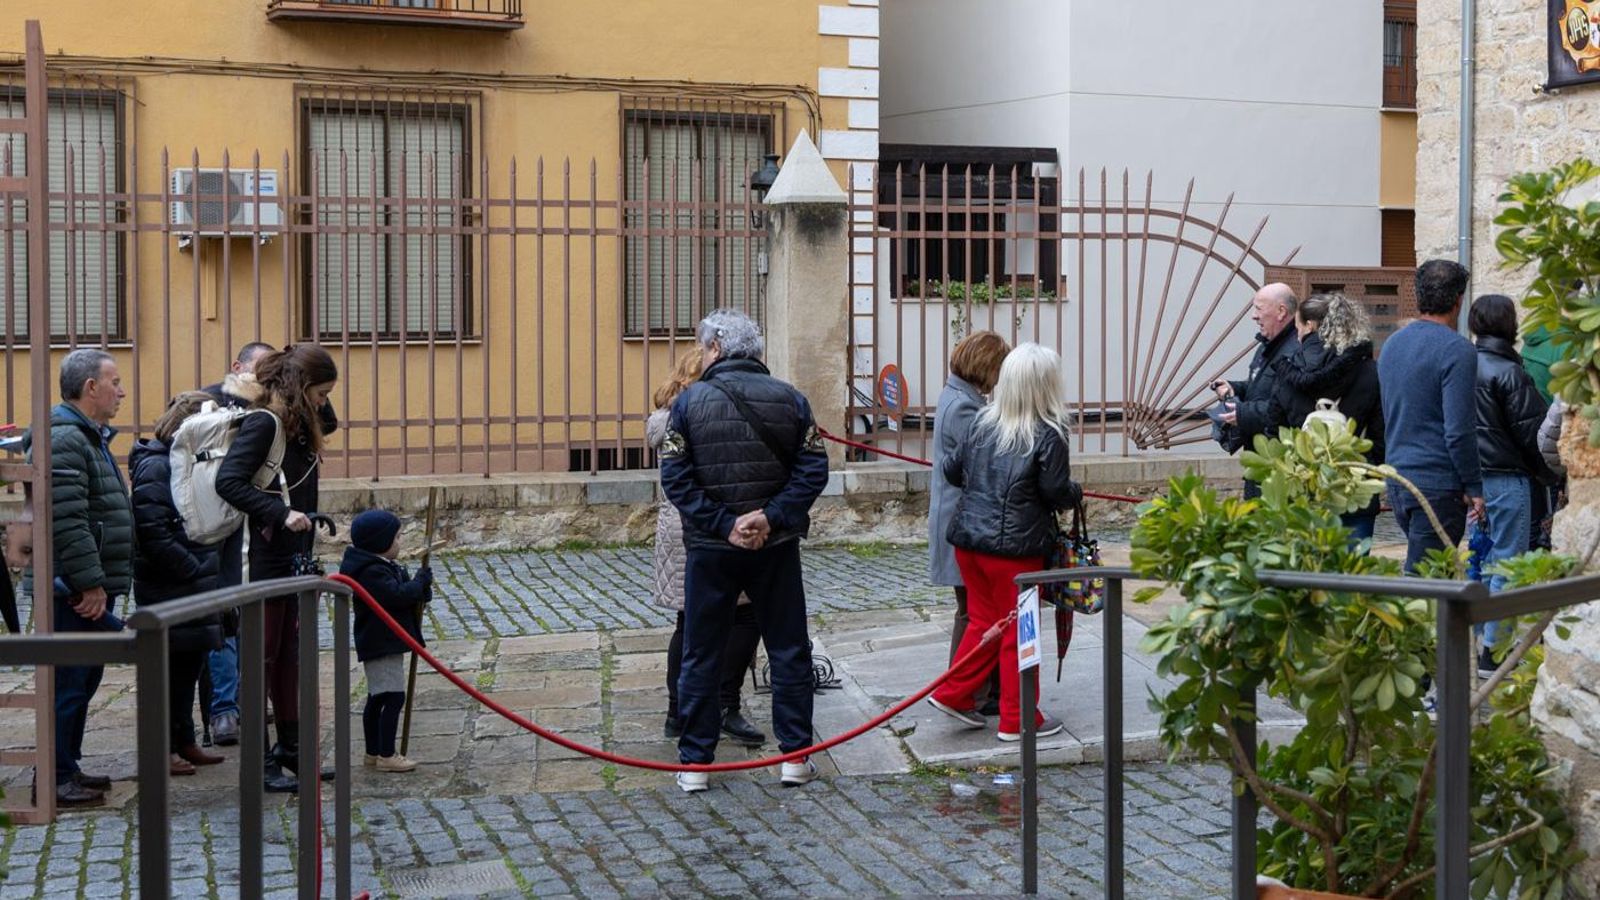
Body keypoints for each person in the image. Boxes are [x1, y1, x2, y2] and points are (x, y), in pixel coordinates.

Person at [658, 309, 830, 793]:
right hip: (774, 546)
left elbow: (675, 477)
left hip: (711, 548)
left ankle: (695, 763)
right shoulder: (791, 399)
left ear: (714, 348)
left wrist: (723, 523)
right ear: (755, 351)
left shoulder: (688, 406)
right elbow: (814, 469)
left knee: (701, 652)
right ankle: (795, 756)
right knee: (790, 648)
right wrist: (770, 517)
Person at [926, 343, 1080, 743]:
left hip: (970, 542)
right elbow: (1055, 489)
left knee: (982, 621)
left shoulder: (981, 422)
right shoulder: (1049, 431)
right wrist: (1074, 492)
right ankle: (1019, 718)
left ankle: (954, 693)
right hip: (1016, 549)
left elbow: (951, 470)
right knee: (1020, 632)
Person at [215, 343, 339, 794]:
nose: (324, 402)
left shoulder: (300, 423)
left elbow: (330, 421)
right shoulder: (263, 422)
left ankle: (291, 747)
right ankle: (259, 758)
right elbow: (229, 481)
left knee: (290, 657)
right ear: (300, 389)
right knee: (260, 662)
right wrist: (277, 512)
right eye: (320, 392)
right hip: (263, 559)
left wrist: (307, 379)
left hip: (292, 557)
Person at [21, 349, 132, 807]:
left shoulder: (85, 435)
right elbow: (68, 520)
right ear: (91, 388)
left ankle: (68, 766)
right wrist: (89, 582)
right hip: (71, 590)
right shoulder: (67, 438)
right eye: (115, 382)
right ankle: (54, 776)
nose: (121, 391)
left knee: (82, 681)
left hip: (84, 585)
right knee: (69, 681)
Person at [648, 350, 767, 749]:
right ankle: (715, 705)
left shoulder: (679, 414)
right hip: (700, 527)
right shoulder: (688, 417)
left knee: (706, 619)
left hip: (696, 525)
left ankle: (686, 709)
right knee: (730, 615)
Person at [130, 392, 229, 777]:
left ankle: (184, 740)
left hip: (195, 581)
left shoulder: (184, 461)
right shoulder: (157, 466)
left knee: (188, 667)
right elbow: (153, 532)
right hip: (172, 584)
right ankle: (162, 748)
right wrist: (193, 568)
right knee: (167, 673)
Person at [1379, 260, 1484, 573]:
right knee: (1427, 583)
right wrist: (1475, 486)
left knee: (1426, 578)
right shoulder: (1457, 350)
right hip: (1437, 481)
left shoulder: (1393, 343)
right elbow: (1459, 429)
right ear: (1458, 301)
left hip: (1398, 475)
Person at [1469, 294, 1555, 673]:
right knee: (1508, 562)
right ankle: (1495, 651)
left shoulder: (1461, 365)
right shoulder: (1509, 372)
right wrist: (1552, 477)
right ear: (1510, 324)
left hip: (1472, 479)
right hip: (1507, 478)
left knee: (1484, 560)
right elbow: (1532, 434)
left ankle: (1479, 641)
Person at [929, 330, 1009, 716]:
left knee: (979, 610)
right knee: (972, 613)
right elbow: (978, 465)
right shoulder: (965, 407)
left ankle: (982, 690)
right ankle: (964, 691)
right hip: (962, 523)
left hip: (959, 519)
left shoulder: (960, 396)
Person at [1276, 293, 1386, 541]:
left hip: (1303, 483)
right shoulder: (1369, 371)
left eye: (1298, 327)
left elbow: (1274, 426)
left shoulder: (1288, 368)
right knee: (1354, 571)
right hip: (1354, 482)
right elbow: (1380, 435)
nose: (1297, 335)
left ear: (1310, 326)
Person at [340, 509, 431, 773]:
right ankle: (386, 754)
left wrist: (421, 588)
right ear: (381, 543)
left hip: (386, 641)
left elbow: (405, 595)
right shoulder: (370, 572)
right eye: (397, 538)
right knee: (391, 697)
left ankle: (373, 752)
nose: (400, 543)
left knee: (379, 697)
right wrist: (417, 584)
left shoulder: (381, 566)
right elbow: (395, 596)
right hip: (381, 642)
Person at [1211, 283, 1303, 497]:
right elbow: (1260, 387)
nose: (1254, 316)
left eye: (1259, 309)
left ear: (1281, 312)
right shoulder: (1268, 345)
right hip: (1260, 460)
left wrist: (1242, 414)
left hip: (1279, 466)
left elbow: (1285, 406)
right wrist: (1235, 388)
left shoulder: (1294, 351)